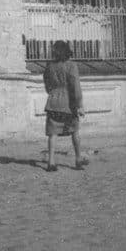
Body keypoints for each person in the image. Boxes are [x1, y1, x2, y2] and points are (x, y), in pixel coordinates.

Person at [43, 40, 86, 171]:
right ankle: (78, 159)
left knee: (52, 133)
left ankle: (51, 162)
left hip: (53, 102)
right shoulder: (72, 66)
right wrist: (79, 105)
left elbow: (47, 85)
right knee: (74, 131)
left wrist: (53, 93)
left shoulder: (49, 66)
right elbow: (76, 87)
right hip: (69, 104)